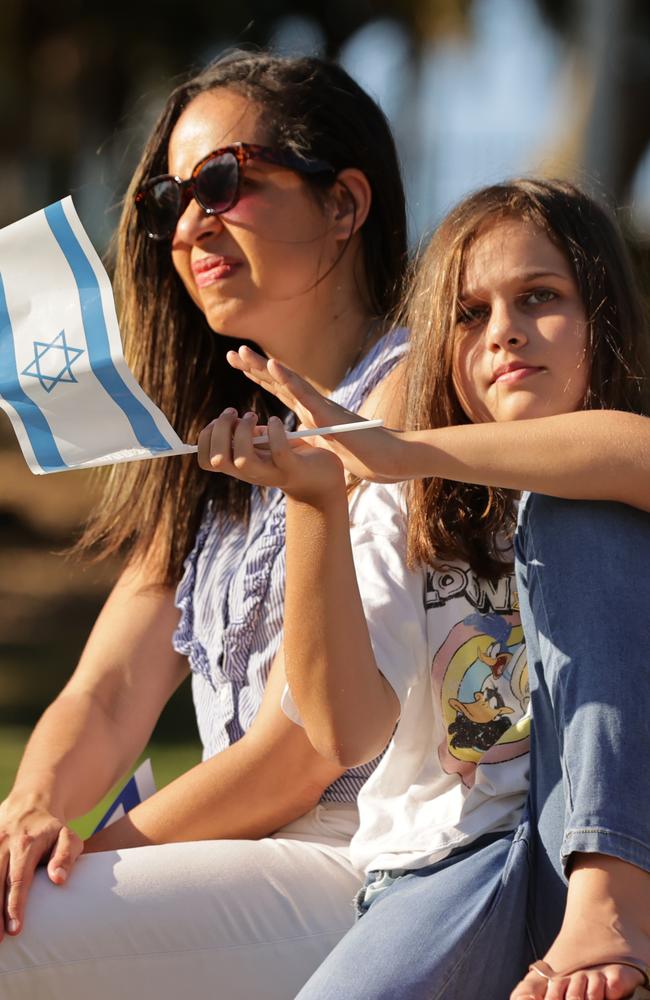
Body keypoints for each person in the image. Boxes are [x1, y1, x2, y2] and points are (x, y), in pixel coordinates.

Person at [0, 50, 410, 999]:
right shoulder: (215, 439)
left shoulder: (407, 395)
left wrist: (90, 862)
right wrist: (32, 813)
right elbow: (106, 692)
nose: (191, 223)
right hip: (246, 862)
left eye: (223, 182)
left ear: (345, 204)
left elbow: (305, 750)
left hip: (377, 864)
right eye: (168, 201)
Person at [207, 178, 650, 1000]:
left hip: (617, 859)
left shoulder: (621, 477)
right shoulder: (406, 506)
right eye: (470, 314)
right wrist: (317, 503)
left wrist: (408, 448)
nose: (504, 335)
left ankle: (611, 900)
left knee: (581, 517)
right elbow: (345, 730)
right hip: (444, 863)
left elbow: (634, 457)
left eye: (540, 297)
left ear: (604, 315)